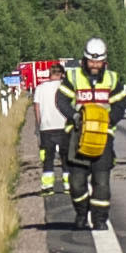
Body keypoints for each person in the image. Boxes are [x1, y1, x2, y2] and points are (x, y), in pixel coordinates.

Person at [54, 38, 126, 229]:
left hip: (103, 137)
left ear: (104, 61)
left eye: (98, 62)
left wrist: (110, 120)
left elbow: (120, 103)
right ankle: (80, 214)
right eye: (91, 61)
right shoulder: (73, 77)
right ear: (84, 60)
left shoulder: (113, 78)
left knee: (101, 182)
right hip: (77, 137)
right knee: (77, 182)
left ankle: (100, 220)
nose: (94, 65)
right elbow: (61, 100)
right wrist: (74, 116)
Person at [34, 63, 69, 192]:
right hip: (64, 126)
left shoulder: (40, 88)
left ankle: (48, 186)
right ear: (61, 74)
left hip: (46, 127)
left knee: (48, 158)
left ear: (50, 73)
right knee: (66, 157)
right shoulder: (65, 87)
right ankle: (68, 186)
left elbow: (37, 108)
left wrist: (39, 125)